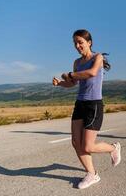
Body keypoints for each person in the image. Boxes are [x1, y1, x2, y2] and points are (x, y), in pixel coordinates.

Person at [52, 29, 121, 189]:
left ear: (89, 42)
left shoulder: (98, 57)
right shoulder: (77, 62)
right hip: (80, 104)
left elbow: (92, 73)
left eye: (80, 42)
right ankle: (92, 174)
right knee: (76, 142)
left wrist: (70, 74)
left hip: (94, 104)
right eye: (75, 43)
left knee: (88, 146)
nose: (77, 46)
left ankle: (114, 147)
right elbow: (72, 83)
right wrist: (61, 83)